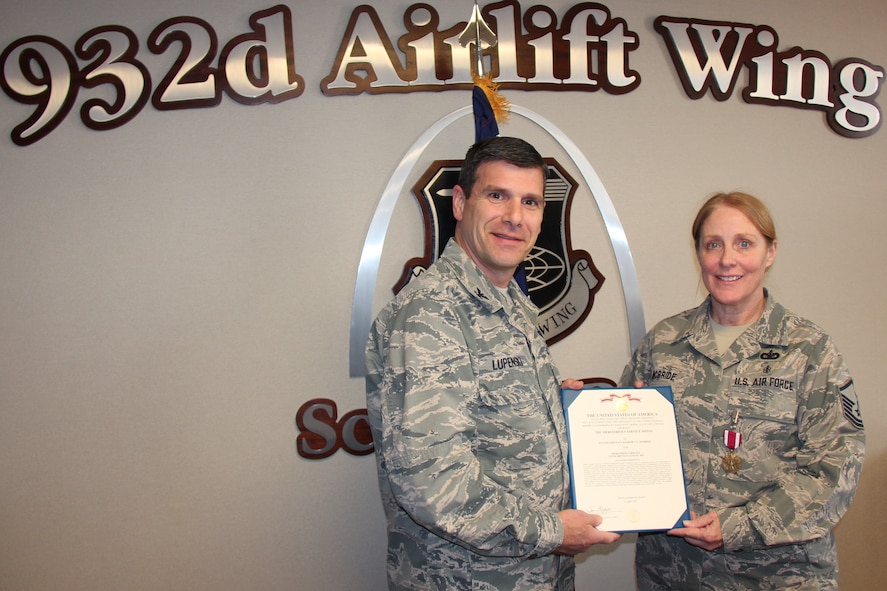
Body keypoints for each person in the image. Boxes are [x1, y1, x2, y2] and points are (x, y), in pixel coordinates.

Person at [365, 136, 620, 590]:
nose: (515, 217)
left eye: (530, 202)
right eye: (496, 195)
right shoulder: (433, 312)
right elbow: (433, 484)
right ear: (461, 202)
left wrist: (552, 408)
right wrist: (553, 531)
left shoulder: (509, 299)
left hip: (533, 572)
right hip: (468, 578)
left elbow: (485, 411)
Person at [620, 192, 865, 590]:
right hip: (674, 573)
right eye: (713, 244)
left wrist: (740, 526)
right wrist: (583, 407)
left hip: (777, 575)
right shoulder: (663, 343)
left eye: (744, 243)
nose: (726, 259)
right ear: (698, 253)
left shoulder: (810, 350)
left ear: (770, 252)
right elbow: (624, 439)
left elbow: (835, 470)